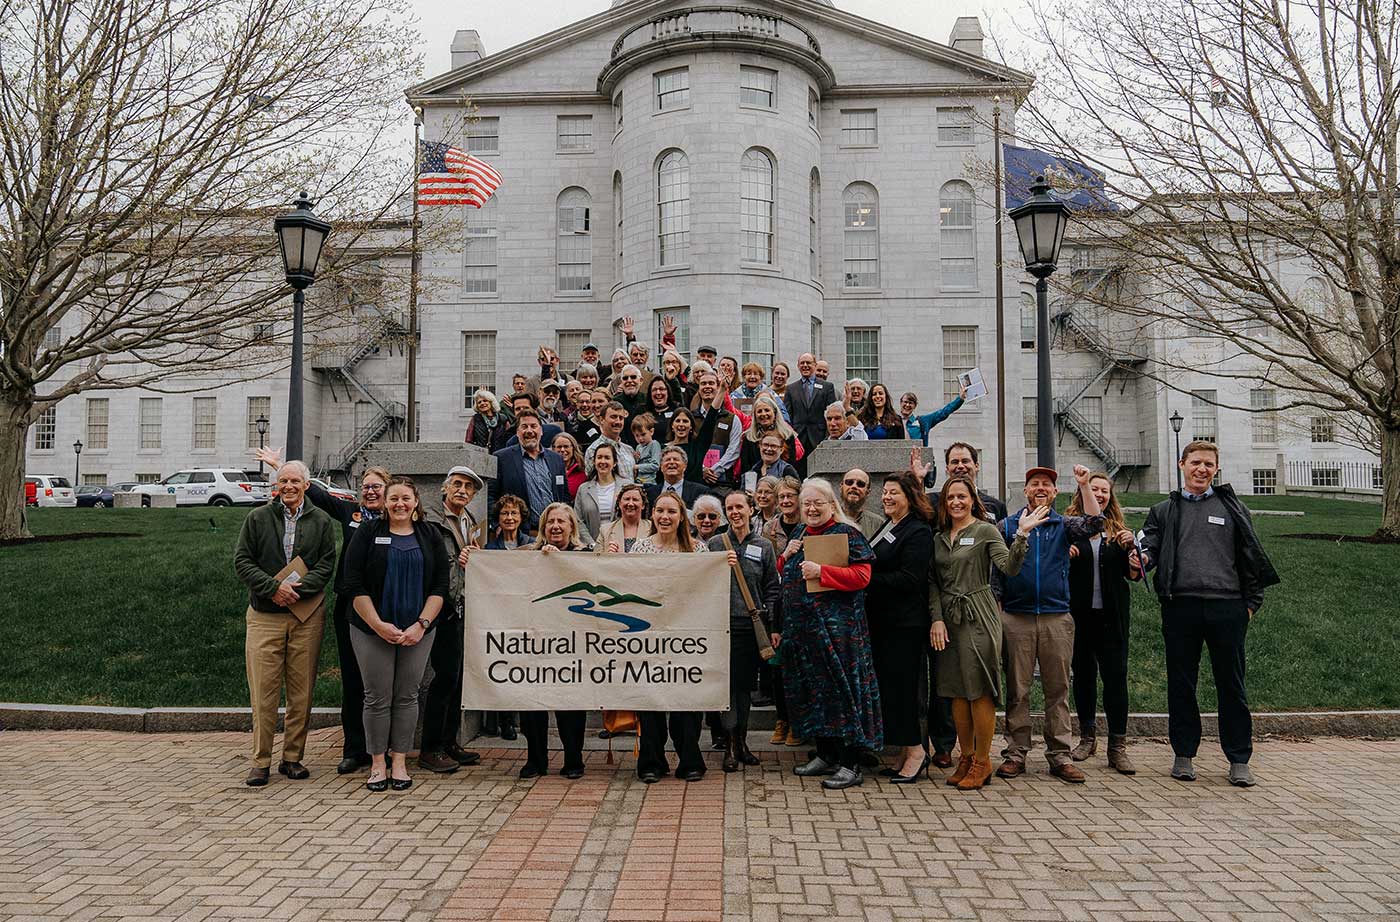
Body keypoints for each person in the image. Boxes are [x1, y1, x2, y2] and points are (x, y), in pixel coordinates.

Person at [1139, 441, 1279, 787]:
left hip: (1227, 607)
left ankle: (1239, 758)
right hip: (1180, 606)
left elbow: (1251, 555)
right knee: (1181, 683)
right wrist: (1139, 560)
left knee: (1231, 684)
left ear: (1216, 469)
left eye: (1208, 464)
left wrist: (1250, 604)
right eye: (1196, 463)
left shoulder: (1233, 508)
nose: (1202, 469)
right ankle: (1184, 754)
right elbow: (1148, 551)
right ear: (1181, 464)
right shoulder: (1163, 511)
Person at [254, 446, 386, 776]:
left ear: (389, 491)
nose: (370, 492)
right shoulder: (351, 513)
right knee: (353, 680)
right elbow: (307, 487)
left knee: (384, 683)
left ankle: (383, 749)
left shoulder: (398, 518)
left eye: (376, 487)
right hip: (351, 607)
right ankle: (354, 749)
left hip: (388, 607)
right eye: (365, 486)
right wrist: (280, 466)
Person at [928, 477, 1042, 790]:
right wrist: (937, 619)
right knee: (956, 690)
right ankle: (964, 757)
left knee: (978, 688)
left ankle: (982, 760)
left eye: (962, 497)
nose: (955, 503)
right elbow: (933, 583)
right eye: (951, 497)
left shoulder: (984, 530)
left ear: (972, 499)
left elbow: (1009, 567)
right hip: (949, 618)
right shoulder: (939, 539)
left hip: (978, 614)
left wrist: (1021, 535)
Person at [341, 476, 451, 792]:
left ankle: (400, 761)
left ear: (416, 501)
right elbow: (353, 583)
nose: (400, 504)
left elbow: (440, 586)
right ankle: (377, 763)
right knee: (377, 697)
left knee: (407, 695)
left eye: (406, 498)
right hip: (371, 629)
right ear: (385, 503)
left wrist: (421, 625)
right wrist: (377, 625)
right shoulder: (368, 533)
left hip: (418, 630)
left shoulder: (429, 535)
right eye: (393, 499)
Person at [233, 460, 337, 787]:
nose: (288, 487)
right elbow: (242, 561)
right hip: (265, 615)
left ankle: (292, 758)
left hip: (306, 616)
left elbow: (325, 564)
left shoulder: (320, 521)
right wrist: (273, 588)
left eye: (295, 481)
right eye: (283, 481)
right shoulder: (258, 518)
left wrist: (296, 591)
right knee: (264, 692)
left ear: (307, 485)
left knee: (301, 691)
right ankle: (260, 761)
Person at [996, 464, 1103, 784]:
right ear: (1025, 490)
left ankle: (1060, 754)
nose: (1040, 488)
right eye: (1034, 484)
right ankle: (1016, 752)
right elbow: (997, 570)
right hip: (1017, 617)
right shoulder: (1008, 525)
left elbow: (1096, 523)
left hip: (1057, 617)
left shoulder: (1063, 525)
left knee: (1058, 689)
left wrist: (1084, 485)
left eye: (1047, 484)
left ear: (1055, 493)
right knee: (1018, 689)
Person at [474, 503, 590, 779]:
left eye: (562, 521)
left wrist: (560, 561)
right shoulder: (526, 554)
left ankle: (574, 759)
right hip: (533, 643)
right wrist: (473, 557)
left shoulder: (586, 555)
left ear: (572, 527)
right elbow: (497, 574)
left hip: (571, 644)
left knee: (571, 705)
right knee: (531, 704)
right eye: (550, 522)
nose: (556, 527)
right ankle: (535, 759)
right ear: (542, 527)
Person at [779, 478, 881, 790]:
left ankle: (850, 762)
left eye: (817, 503)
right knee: (814, 692)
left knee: (842, 693)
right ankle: (825, 753)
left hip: (839, 633)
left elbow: (862, 576)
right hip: (804, 632)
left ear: (831, 505)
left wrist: (823, 572)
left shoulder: (846, 533)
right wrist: (785, 555)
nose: (810, 508)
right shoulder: (798, 532)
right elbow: (787, 572)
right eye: (806, 503)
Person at [631, 492, 709, 783]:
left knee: (685, 701)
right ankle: (651, 761)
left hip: (685, 637)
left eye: (672, 512)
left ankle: (690, 759)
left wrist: (723, 563)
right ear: (652, 514)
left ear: (681, 517)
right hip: (647, 637)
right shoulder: (639, 548)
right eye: (660, 511)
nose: (665, 517)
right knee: (649, 701)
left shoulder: (698, 551)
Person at [1066, 472, 1141, 775]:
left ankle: (1117, 746)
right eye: (1093, 489)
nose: (1099, 495)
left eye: (1104, 491)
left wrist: (1133, 553)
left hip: (1112, 616)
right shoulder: (1070, 528)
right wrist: (1065, 554)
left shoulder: (1119, 531)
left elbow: (1134, 575)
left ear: (1111, 497)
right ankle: (1087, 738)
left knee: (1115, 678)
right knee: (1083, 676)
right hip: (1079, 615)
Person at [864, 472, 935, 782]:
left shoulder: (918, 532)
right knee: (890, 690)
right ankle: (904, 750)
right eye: (885, 492)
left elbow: (911, 579)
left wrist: (867, 582)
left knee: (904, 691)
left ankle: (918, 751)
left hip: (905, 624)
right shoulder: (888, 526)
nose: (887, 497)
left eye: (894, 492)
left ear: (910, 496)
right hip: (883, 622)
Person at [418, 467, 487, 774]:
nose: (462, 490)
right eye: (457, 484)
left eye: (468, 487)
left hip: (461, 604)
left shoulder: (469, 521)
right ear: (445, 488)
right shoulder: (431, 519)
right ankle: (430, 748)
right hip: (440, 605)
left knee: (457, 679)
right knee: (444, 677)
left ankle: (449, 742)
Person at [709, 490, 780, 773]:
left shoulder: (764, 545)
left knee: (744, 690)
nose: (735, 512)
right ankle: (727, 744)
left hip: (750, 627)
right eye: (730, 508)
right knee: (727, 689)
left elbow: (772, 587)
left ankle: (742, 743)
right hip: (720, 626)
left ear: (751, 509)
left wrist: (773, 626)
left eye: (740, 506)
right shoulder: (715, 543)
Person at [760, 475, 804, 748]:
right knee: (778, 668)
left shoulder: (808, 524)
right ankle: (782, 719)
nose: (786, 501)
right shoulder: (770, 528)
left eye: (791, 496)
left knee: (799, 668)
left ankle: (798, 723)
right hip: (778, 604)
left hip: (803, 603)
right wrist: (785, 556)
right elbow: (768, 568)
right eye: (782, 497)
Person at [489, 409, 570, 536]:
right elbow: (490, 495)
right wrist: (497, 525)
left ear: (541, 431)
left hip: (554, 533)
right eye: (524, 427)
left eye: (534, 426)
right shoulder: (502, 458)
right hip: (520, 534)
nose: (529, 431)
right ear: (517, 432)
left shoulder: (556, 459)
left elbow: (564, 495)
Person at [785, 353, 839, 461]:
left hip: (819, 437)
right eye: (802, 363)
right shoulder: (791, 389)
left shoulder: (827, 387)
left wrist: (827, 437)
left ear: (815, 365)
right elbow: (788, 416)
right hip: (798, 439)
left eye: (808, 363)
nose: (805, 365)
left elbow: (831, 413)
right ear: (798, 366)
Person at [574, 442, 629, 544]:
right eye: (599, 457)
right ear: (594, 462)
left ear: (615, 462)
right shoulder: (583, 489)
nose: (603, 461)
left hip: (621, 546)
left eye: (607, 458)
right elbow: (578, 521)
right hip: (591, 547)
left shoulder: (627, 487)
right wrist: (592, 545)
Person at [738, 393, 803, 475]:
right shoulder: (749, 437)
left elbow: (791, 463)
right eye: (759, 411)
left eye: (767, 410)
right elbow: (746, 466)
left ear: (775, 412)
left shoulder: (787, 435)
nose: (763, 414)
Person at [646, 445, 713, 510]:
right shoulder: (650, 493)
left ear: (685, 466)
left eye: (676, 459)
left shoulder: (700, 492)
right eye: (667, 460)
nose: (671, 462)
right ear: (661, 467)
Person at [585, 401, 638, 481]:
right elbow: (593, 483)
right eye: (613, 417)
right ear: (602, 420)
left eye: (621, 418)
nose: (618, 422)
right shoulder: (593, 450)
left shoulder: (629, 450)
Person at [900, 385, 968, 447]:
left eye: (910, 403)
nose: (907, 405)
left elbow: (943, 413)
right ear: (901, 403)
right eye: (905, 402)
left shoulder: (923, 421)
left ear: (915, 406)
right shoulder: (893, 421)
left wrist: (960, 399)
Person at [596, 482, 652, 554]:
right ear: (619, 503)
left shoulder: (653, 528)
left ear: (643, 505)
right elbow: (596, 561)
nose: (630, 503)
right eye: (627, 499)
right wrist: (606, 555)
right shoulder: (605, 530)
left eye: (635, 499)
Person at [836, 467, 885, 540]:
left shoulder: (878, 524)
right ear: (841, 487)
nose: (854, 486)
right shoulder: (828, 518)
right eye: (849, 482)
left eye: (860, 484)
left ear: (868, 492)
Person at [551, 432, 587, 500]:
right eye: (559, 447)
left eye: (566, 446)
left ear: (573, 448)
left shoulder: (583, 470)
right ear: (553, 449)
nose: (562, 450)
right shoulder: (548, 470)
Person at [631, 413, 661, 485]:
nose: (640, 438)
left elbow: (655, 466)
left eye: (643, 434)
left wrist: (637, 466)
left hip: (649, 482)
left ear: (651, 431)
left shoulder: (654, 444)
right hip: (637, 481)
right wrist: (635, 459)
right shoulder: (638, 447)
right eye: (637, 436)